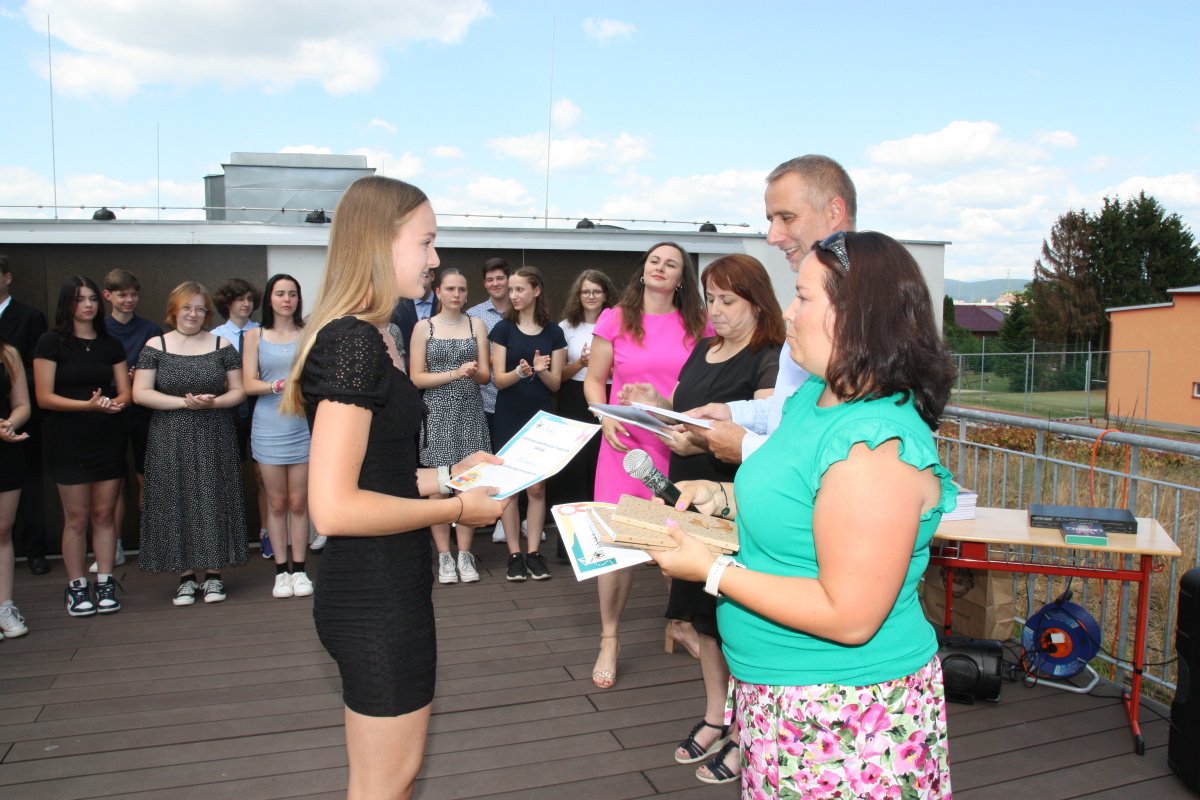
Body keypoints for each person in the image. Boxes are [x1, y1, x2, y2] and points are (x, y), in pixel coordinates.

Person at [654, 231, 957, 798]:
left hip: (845, 713)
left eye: (803, 296)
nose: (789, 313)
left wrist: (711, 571)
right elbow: (801, 497)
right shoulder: (812, 399)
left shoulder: (874, 444)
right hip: (781, 698)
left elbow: (850, 615)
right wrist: (719, 497)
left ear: (858, 316)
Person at [284, 175, 508, 800]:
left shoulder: (375, 333)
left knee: (393, 781)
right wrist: (458, 508)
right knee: (385, 785)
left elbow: (377, 474)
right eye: (426, 241)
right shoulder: (353, 342)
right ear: (380, 241)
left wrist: (450, 475)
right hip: (372, 593)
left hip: (391, 580)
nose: (436, 258)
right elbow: (334, 507)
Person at [621, 254, 783, 785]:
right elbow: (687, 408)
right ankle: (718, 714)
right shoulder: (703, 349)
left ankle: (745, 730)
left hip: (734, 502)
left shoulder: (770, 358)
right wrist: (655, 402)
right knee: (702, 618)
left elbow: (763, 437)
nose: (715, 310)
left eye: (727, 300)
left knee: (735, 620)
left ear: (758, 302)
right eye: (710, 298)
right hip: (688, 493)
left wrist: (699, 441)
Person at [582, 242, 709, 688]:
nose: (660, 268)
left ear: (681, 278)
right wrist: (604, 417)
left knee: (678, 538)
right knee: (617, 548)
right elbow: (594, 381)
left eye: (671, 264)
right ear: (643, 269)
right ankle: (609, 639)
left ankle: (680, 622)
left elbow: (704, 385)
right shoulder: (615, 318)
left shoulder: (699, 323)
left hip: (676, 445)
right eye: (655, 260)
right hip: (623, 445)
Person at [688, 155, 856, 463]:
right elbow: (787, 406)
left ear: (834, 212)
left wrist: (746, 447)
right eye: (770, 220)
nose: (772, 237)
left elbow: (841, 448)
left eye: (787, 218)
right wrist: (731, 412)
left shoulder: (865, 306)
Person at [133, 282, 247, 606]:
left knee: (213, 497)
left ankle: (213, 574)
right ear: (174, 310)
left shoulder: (221, 344)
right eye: (187, 307)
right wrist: (185, 403)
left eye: (200, 309)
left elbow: (238, 391)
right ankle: (185, 577)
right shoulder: (156, 345)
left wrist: (214, 402)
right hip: (169, 434)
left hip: (214, 432)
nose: (193, 314)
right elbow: (140, 393)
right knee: (174, 498)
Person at [33, 276, 131, 617]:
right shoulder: (50, 342)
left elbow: (126, 392)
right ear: (67, 304)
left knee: (105, 514)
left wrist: (112, 404)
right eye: (79, 299)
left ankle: (105, 581)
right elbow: (44, 397)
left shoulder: (110, 344)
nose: (88, 305)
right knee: (76, 518)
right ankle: (76, 587)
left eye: (92, 299)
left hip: (108, 437)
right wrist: (87, 406)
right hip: (68, 440)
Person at [409, 267, 491, 584]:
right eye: (450, 289)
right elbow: (416, 377)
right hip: (437, 411)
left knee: (470, 484)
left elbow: (486, 375)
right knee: (439, 487)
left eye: (461, 289)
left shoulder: (476, 324)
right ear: (438, 292)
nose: (456, 294)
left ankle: (465, 554)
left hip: (470, 410)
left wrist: (473, 372)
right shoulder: (424, 327)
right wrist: (454, 373)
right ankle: (444, 555)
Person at [489, 265, 566, 582]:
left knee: (536, 487)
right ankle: (514, 555)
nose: (513, 295)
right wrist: (520, 373)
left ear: (536, 290)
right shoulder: (503, 329)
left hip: (540, 417)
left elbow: (555, 384)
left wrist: (540, 371)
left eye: (519, 289)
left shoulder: (553, 332)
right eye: (511, 290)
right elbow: (499, 380)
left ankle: (534, 553)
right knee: (509, 487)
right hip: (509, 413)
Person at [243, 274, 313, 599]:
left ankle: (300, 570)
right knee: (276, 502)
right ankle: (281, 571)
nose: (287, 299)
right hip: (269, 424)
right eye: (280, 293)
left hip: (301, 426)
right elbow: (248, 383)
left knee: (298, 503)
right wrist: (277, 386)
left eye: (293, 294)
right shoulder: (255, 335)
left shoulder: (308, 333)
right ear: (269, 299)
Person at [92, 268, 162, 574]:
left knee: (147, 477)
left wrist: (141, 377)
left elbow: (160, 368)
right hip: (108, 410)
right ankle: (114, 545)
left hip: (145, 410)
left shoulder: (150, 329)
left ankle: (153, 541)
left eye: (134, 294)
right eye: (122, 294)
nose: (129, 299)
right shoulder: (99, 329)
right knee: (113, 481)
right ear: (108, 296)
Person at [546, 269, 617, 536]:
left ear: (606, 295)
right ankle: (572, 535)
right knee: (575, 465)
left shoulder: (617, 324)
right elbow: (558, 376)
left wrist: (602, 365)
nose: (591, 296)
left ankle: (604, 530)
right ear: (578, 295)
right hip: (573, 398)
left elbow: (624, 368)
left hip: (607, 395)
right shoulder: (566, 327)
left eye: (597, 291)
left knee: (602, 462)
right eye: (586, 291)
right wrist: (581, 363)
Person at [211, 278, 276, 557]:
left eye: (250, 299)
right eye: (240, 299)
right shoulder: (216, 336)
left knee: (264, 475)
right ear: (227, 303)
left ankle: (267, 533)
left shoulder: (262, 333)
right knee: (228, 474)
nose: (246, 304)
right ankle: (229, 537)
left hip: (260, 408)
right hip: (227, 412)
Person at [0, 255, 51, 576]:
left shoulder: (29, 317)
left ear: (7, 277)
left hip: (18, 419)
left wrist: (10, 420)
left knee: (28, 488)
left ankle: (34, 550)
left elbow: (36, 369)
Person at [0, 336, 32, 639]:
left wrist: (10, 423)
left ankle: (4, 607)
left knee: (2, 530)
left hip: (5, 449)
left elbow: (22, 405)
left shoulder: (8, 353)